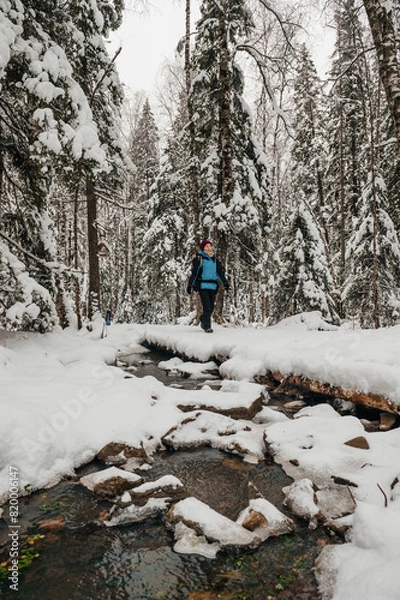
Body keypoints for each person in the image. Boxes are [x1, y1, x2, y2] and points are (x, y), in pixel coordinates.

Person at [187, 239, 230, 333]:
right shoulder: (199, 258)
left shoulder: (215, 259)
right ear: (203, 248)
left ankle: (203, 319)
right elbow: (195, 272)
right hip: (202, 285)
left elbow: (219, 273)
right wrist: (190, 284)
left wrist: (225, 283)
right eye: (206, 246)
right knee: (207, 306)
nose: (209, 248)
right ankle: (207, 326)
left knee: (211, 307)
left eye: (210, 246)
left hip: (213, 286)